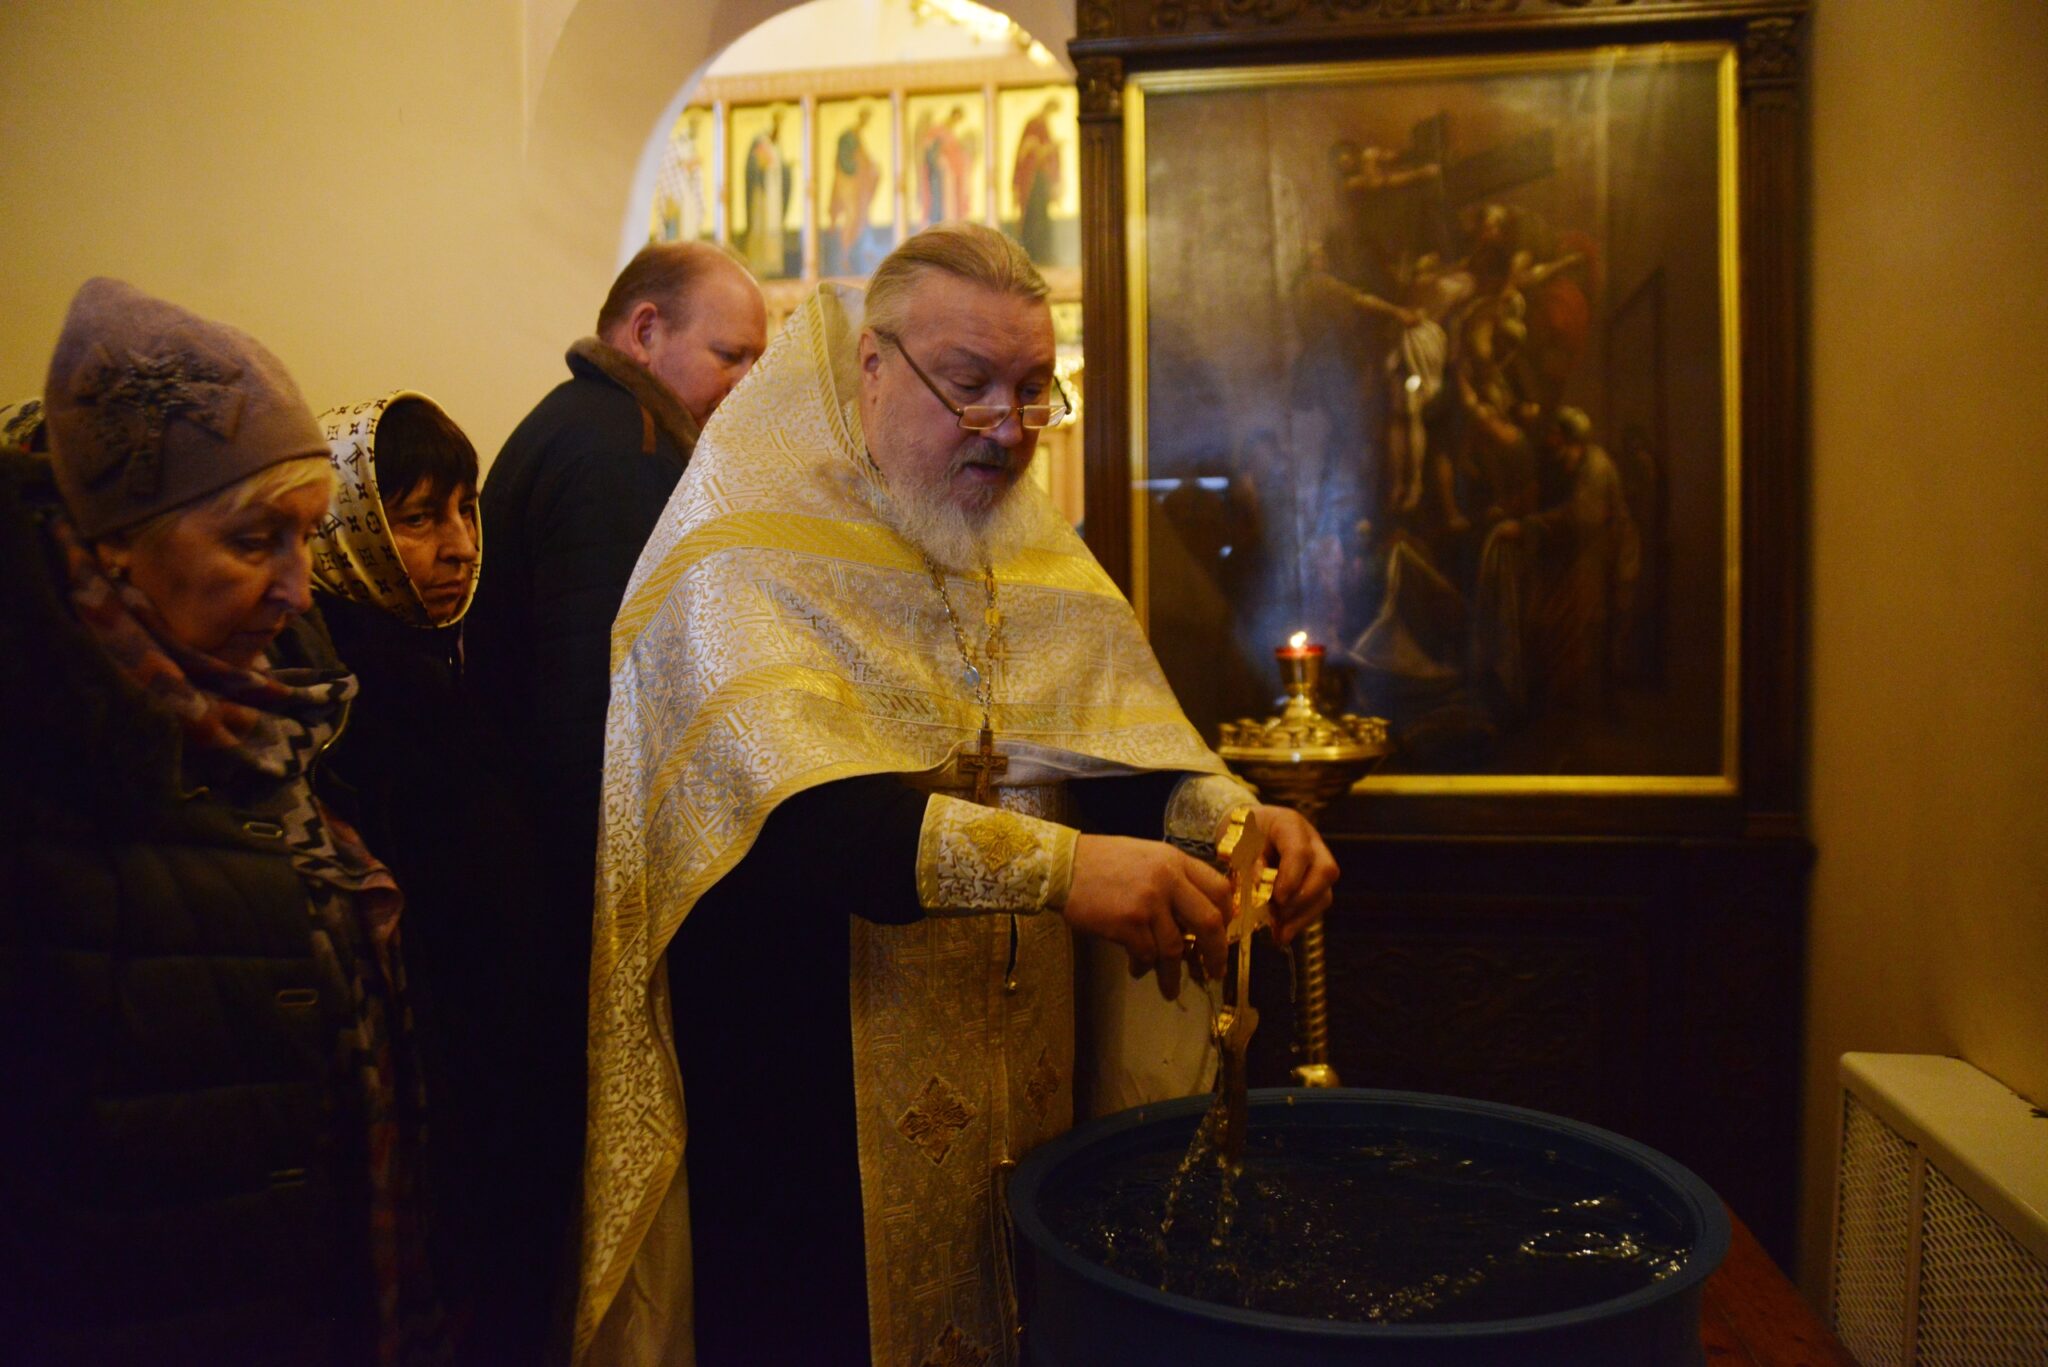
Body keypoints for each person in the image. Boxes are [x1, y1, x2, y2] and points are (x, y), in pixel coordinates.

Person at [575, 224, 1341, 1366]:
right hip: (807, 1116)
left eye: (1033, 390)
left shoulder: (1030, 554)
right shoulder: (740, 552)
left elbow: (1104, 753)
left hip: (1024, 1099)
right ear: (871, 365)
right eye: (969, 383)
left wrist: (1229, 818)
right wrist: (1065, 872)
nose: (1008, 426)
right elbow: (799, 822)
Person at [0, 279, 432, 1364]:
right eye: (253, 542)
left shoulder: (267, 720)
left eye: (308, 538)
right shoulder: (43, 761)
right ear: (116, 544)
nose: (298, 590)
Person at [463, 241, 764, 1341]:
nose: (746, 383)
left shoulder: (587, 425)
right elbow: (601, 710)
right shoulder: (620, 451)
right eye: (730, 354)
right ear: (645, 331)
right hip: (572, 888)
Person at [308, 392, 555, 1362]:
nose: (459, 547)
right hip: (425, 1108)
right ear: (349, 528)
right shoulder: (344, 701)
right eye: (418, 518)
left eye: (466, 509)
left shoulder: (447, 663)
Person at [828, 105, 882, 275]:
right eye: (865, 118)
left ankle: (858, 256)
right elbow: (847, 162)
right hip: (849, 186)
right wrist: (862, 166)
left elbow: (865, 160)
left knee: (862, 218)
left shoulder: (858, 137)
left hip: (859, 188)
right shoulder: (848, 136)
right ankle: (844, 256)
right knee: (853, 218)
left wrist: (871, 168)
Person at [1011, 96, 1063, 261]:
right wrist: (1051, 148)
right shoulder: (1035, 124)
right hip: (1033, 179)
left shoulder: (1043, 124)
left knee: (1041, 215)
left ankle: (1041, 254)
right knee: (1034, 216)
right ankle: (1034, 254)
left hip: (1039, 177)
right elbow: (1030, 151)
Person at [743, 109, 790, 277]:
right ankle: (758, 266)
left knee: (774, 227)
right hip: (762, 194)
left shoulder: (777, 145)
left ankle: (773, 266)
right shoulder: (761, 141)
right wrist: (766, 163)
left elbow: (781, 168)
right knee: (760, 226)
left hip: (774, 193)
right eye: (777, 123)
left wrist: (786, 168)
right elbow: (755, 166)